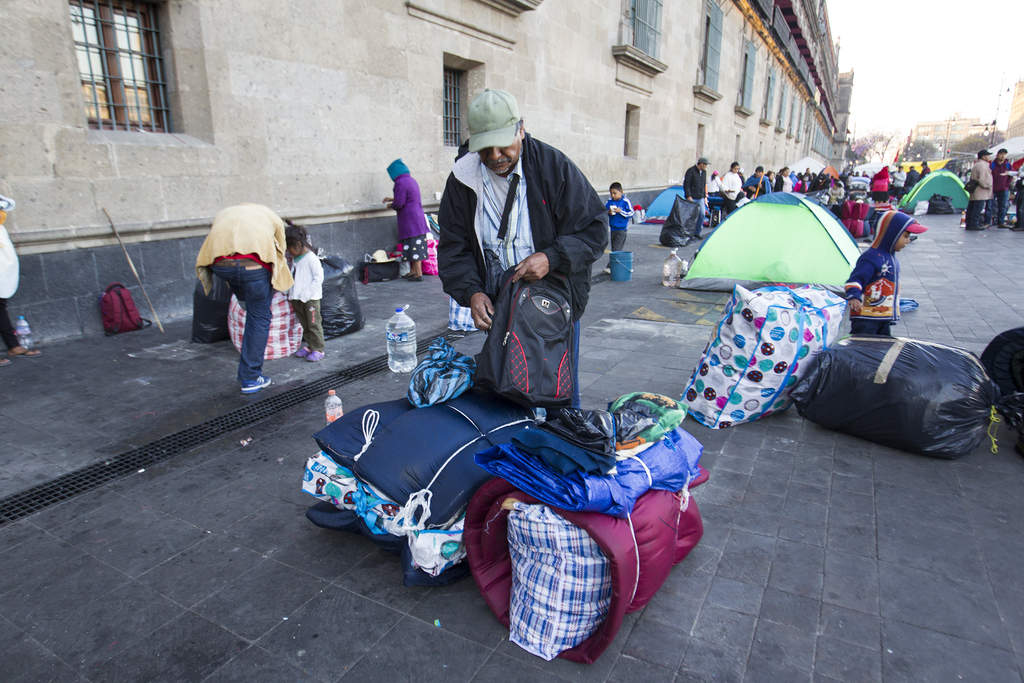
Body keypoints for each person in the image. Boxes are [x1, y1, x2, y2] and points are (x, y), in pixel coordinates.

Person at [437, 89, 607, 409]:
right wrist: (472, 292)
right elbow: (453, 248)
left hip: (555, 304)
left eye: (504, 144)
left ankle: (563, 432)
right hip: (503, 306)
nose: (496, 156)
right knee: (508, 389)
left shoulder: (553, 167)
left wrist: (552, 257)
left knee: (558, 392)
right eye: (485, 148)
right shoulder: (462, 179)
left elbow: (595, 230)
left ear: (521, 129)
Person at [196, 204, 294, 393]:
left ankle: (246, 306)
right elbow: (280, 250)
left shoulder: (224, 213)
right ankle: (250, 377)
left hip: (221, 266)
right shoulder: (271, 216)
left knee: (249, 303)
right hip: (254, 268)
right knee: (258, 317)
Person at [844, 211, 927, 336]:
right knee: (863, 343)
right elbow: (856, 279)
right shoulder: (871, 258)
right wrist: (854, 295)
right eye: (905, 236)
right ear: (892, 235)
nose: (908, 241)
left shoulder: (890, 257)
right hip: (866, 317)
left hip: (883, 317)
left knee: (882, 344)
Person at [285, 224, 326, 362]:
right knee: (305, 324)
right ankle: (310, 345)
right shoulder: (295, 259)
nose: (288, 252)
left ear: (297, 245)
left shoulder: (311, 259)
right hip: (297, 298)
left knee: (313, 324)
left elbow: (318, 278)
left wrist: (306, 294)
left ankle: (318, 349)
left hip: (310, 299)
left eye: (289, 248)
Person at [383, 158, 429, 282]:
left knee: (414, 246)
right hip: (417, 219)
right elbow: (407, 197)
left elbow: (400, 203)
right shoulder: (410, 180)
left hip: (410, 221)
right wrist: (391, 199)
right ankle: (413, 272)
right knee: (413, 245)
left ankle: (418, 274)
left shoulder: (400, 183)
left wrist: (391, 205)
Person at [604, 182, 633, 270]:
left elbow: (631, 213)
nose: (613, 195)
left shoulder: (625, 201)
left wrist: (621, 211)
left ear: (621, 192)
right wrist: (608, 212)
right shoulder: (609, 201)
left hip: (621, 229)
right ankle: (616, 266)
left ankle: (610, 266)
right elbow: (603, 210)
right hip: (613, 228)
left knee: (616, 249)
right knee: (615, 248)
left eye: (615, 193)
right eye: (611, 193)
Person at [966, 150, 993, 230]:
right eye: (988, 155)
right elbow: (983, 179)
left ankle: (969, 224)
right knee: (977, 208)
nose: (989, 157)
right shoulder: (983, 165)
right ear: (983, 156)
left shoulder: (977, 164)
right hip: (980, 191)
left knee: (972, 208)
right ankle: (974, 224)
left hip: (975, 189)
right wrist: (988, 185)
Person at [683, 157, 709, 237]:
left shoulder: (704, 172)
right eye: (705, 165)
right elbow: (686, 184)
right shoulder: (691, 171)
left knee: (702, 214)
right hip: (692, 197)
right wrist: (688, 196)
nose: (706, 166)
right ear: (701, 164)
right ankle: (686, 232)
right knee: (690, 216)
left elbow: (703, 185)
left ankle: (697, 233)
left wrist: (704, 197)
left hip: (700, 197)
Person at [990, 148, 1013, 228]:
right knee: (990, 205)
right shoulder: (992, 164)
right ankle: (989, 221)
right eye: (1001, 154)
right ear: (997, 155)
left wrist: (1006, 185)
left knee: (1003, 206)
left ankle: (1001, 222)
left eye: (1004, 154)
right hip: (992, 188)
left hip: (1004, 189)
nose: (1003, 156)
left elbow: (1011, 175)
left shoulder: (1008, 165)